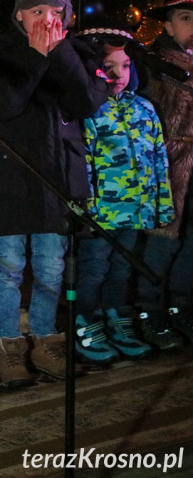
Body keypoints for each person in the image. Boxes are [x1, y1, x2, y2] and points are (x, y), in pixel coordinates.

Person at [0, 0, 110, 387]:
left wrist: (61, 55)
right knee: (9, 267)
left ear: (67, 16)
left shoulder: (76, 55)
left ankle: (46, 339)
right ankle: (9, 346)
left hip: (58, 180)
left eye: (55, 11)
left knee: (52, 268)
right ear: (19, 15)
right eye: (36, 10)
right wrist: (35, 57)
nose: (45, 21)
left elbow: (89, 101)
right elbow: (3, 107)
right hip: (11, 179)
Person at [72, 19, 173, 363]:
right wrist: (83, 209)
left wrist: (161, 207)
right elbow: (82, 163)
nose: (119, 74)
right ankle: (86, 320)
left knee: (122, 269)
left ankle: (117, 318)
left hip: (135, 210)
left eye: (125, 66)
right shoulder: (90, 112)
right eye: (108, 67)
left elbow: (158, 159)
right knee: (95, 268)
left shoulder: (144, 109)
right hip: (101, 215)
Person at [133, 0, 193, 348]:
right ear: (169, 26)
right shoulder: (155, 65)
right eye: (186, 18)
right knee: (163, 241)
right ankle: (149, 309)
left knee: (190, 242)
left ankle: (181, 307)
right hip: (171, 164)